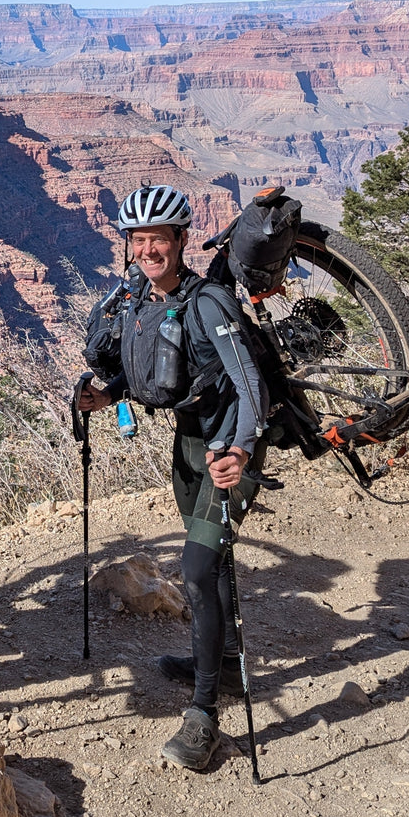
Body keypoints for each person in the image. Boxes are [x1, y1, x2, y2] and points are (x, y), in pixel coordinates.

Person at [77, 184, 269, 771]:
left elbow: (252, 389)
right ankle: (225, 659)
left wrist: (238, 450)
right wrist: (102, 395)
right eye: (139, 240)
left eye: (159, 238)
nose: (148, 249)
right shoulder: (140, 300)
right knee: (207, 565)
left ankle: (205, 714)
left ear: (182, 240)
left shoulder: (208, 302)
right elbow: (149, 374)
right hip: (187, 448)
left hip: (224, 450)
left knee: (194, 569)